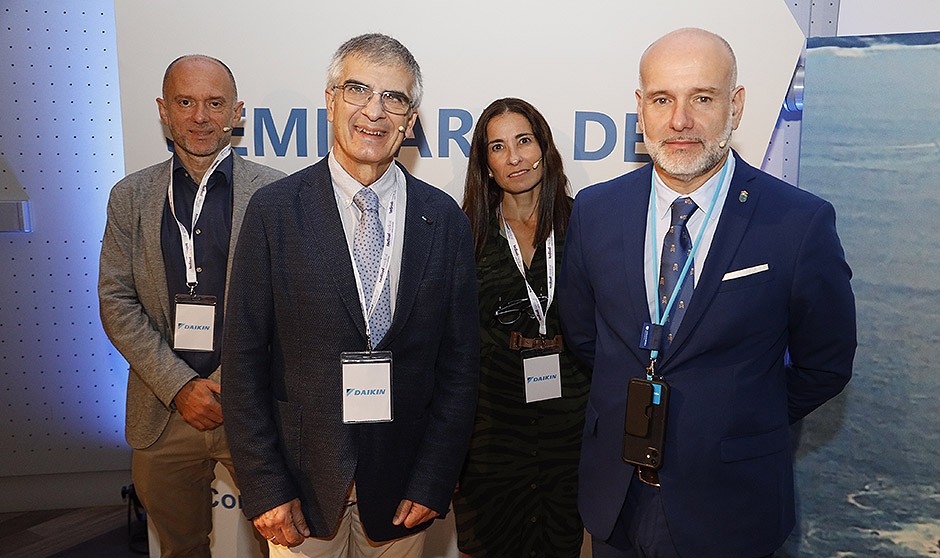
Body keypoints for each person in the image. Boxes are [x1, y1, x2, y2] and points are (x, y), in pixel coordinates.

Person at [558, 28, 856, 558]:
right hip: (616, 500)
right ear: (640, 108)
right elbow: (585, 337)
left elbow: (826, 365)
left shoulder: (798, 223)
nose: (680, 121)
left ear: (735, 107)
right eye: (662, 99)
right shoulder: (595, 211)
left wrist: (741, 416)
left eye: (702, 97)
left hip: (731, 508)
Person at [221, 33, 479, 557]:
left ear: (410, 120)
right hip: (301, 486)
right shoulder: (275, 212)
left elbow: (460, 367)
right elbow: (244, 361)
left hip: (403, 488)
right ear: (330, 100)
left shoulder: (444, 219)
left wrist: (434, 478)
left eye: (395, 98)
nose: (375, 111)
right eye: (358, 89)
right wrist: (266, 487)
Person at [98, 54, 286, 557]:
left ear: (237, 112)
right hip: (163, 412)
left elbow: (290, 306)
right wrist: (180, 386)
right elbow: (116, 300)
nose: (200, 116)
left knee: (287, 546)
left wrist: (227, 384)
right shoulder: (129, 197)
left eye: (214, 103)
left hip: (253, 407)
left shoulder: (276, 194)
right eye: (185, 102)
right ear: (164, 110)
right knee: (180, 549)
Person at [454, 98, 590, 557]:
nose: (514, 157)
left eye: (524, 141)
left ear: (543, 148)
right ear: (485, 163)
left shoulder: (585, 223)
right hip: (491, 427)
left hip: (571, 422)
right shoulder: (464, 232)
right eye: (498, 146)